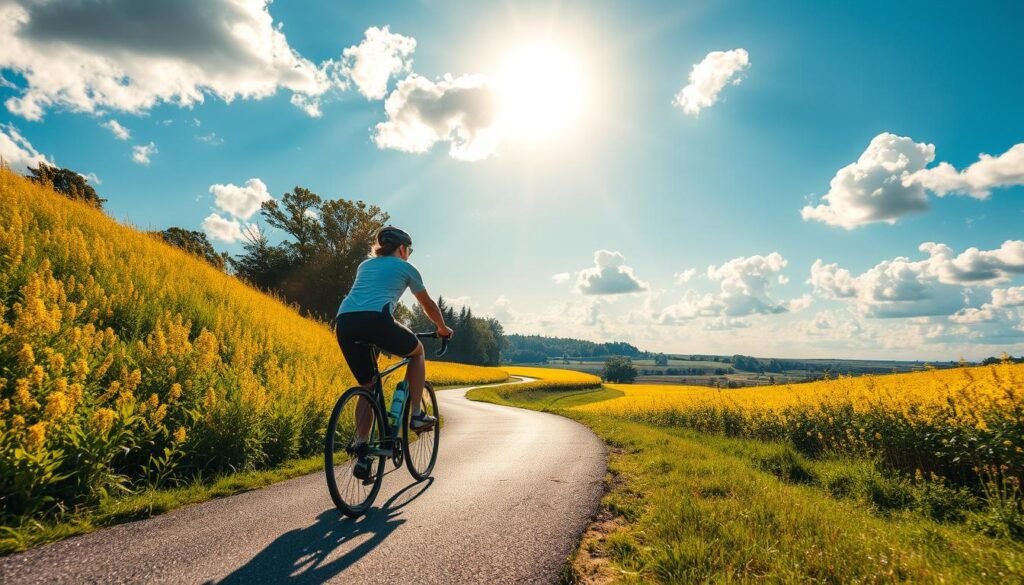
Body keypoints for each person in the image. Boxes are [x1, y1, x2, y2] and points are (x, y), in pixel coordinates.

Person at [335, 226, 452, 472]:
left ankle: (362, 448)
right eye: (408, 249)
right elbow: (428, 305)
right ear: (401, 248)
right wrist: (442, 328)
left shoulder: (364, 266)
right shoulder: (406, 267)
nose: (408, 253)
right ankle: (418, 414)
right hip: (376, 320)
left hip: (344, 322)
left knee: (368, 385)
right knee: (417, 351)